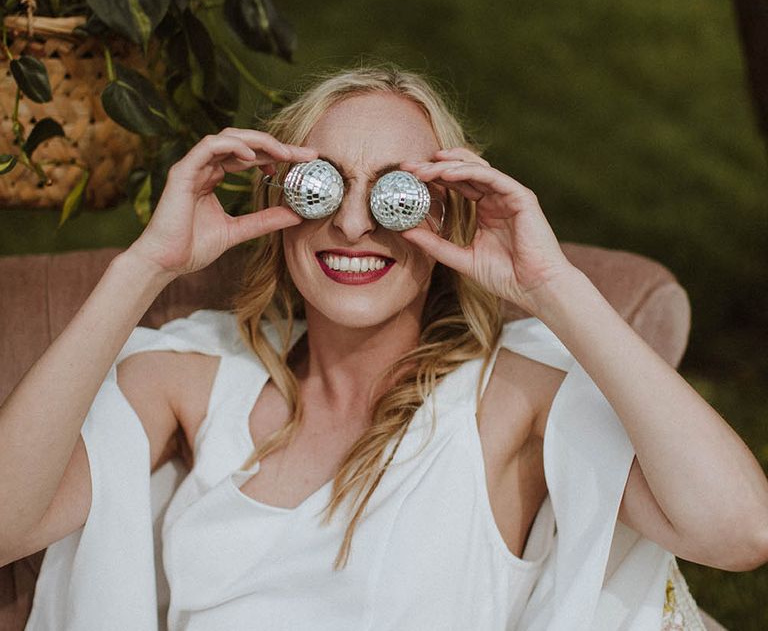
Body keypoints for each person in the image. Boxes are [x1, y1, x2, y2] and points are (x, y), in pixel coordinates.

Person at [1, 65, 766, 630]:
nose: (355, 224)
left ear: (446, 217)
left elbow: (740, 531)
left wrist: (551, 283)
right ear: (283, 203)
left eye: (396, 192)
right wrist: (146, 265)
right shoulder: (192, 380)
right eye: (323, 186)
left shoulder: (510, 401)